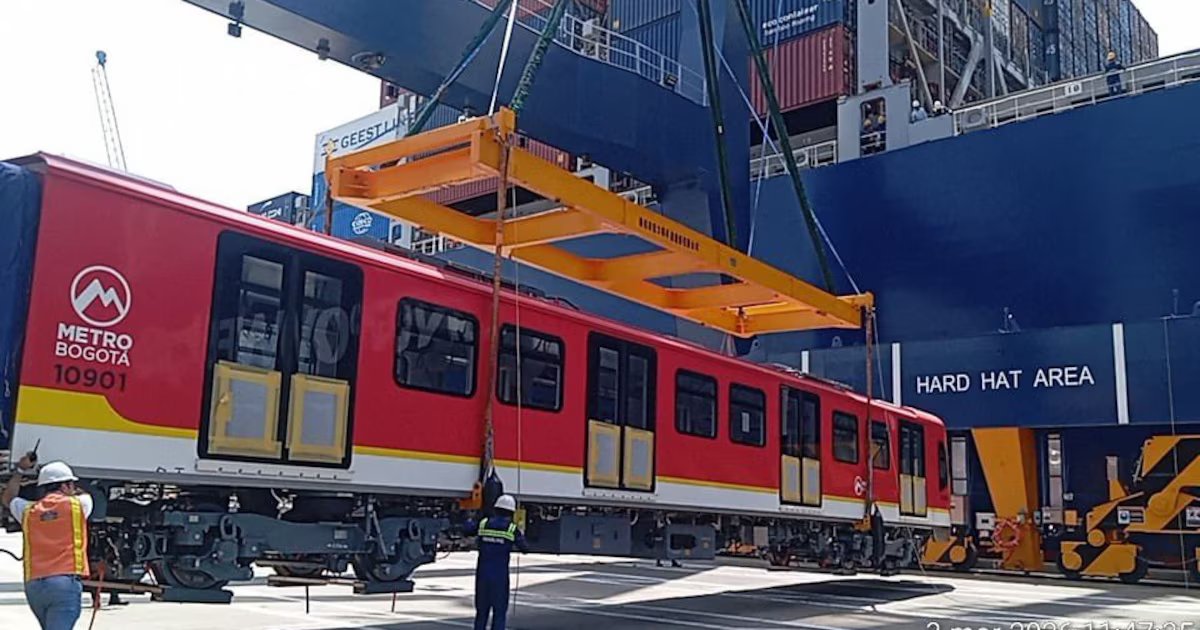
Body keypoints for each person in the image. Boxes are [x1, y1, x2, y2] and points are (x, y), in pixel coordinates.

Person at [3, 455, 92, 630]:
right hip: (64, 584)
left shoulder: (28, 511)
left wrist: (20, 470)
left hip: (35, 586)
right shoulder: (78, 506)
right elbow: (86, 494)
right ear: (66, 485)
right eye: (71, 484)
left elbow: (8, 498)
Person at [471, 494, 528, 630]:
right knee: (499, 614)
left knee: (481, 613)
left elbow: (467, 529)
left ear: (495, 508)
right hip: (500, 578)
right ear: (511, 512)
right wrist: (520, 533)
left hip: (482, 576)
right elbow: (525, 548)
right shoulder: (511, 529)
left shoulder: (484, 523)